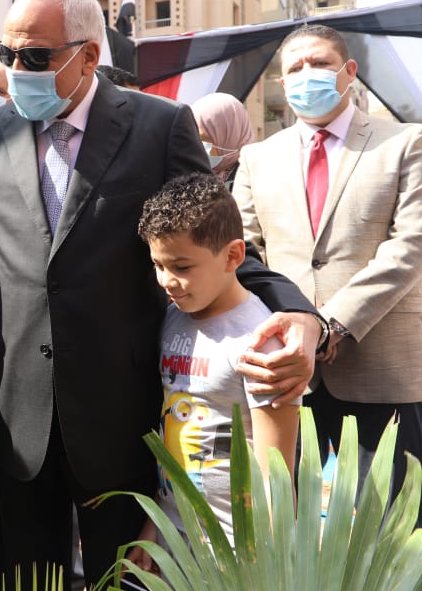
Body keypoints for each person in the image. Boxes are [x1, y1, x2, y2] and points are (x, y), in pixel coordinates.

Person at [0, 0, 322, 585]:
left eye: (33, 56)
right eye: (6, 54)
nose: (16, 71)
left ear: (88, 56)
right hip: (17, 413)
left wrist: (299, 312)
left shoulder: (159, 126)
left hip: (120, 413)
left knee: (119, 577)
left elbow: (214, 240)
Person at [233, 23, 422, 527]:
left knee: (387, 532)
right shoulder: (258, 158)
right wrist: (295, 322)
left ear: (348, 71)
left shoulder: (404, 141)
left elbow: (413, 245)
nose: (308, 74)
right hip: (287, 370)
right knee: (282, 526)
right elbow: (243, 250)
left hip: (381, 366)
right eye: (295, 68)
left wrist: (332, 324)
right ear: (283, 84)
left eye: (320, 63)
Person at [128, 173, 298, 567]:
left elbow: (276, 475)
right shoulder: (173, 318)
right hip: (174, 537)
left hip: (237, 553)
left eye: (182, 266)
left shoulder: (261, 341)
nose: (167, 281)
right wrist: (155, 524)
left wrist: (267, 564)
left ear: (234, 256)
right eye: (158, 265)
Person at [189, 92, 254, 186]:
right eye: (193, 137)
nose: (196, 146)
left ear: (231, 136)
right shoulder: (188, 175)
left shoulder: (258, 177)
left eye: (202, 139)